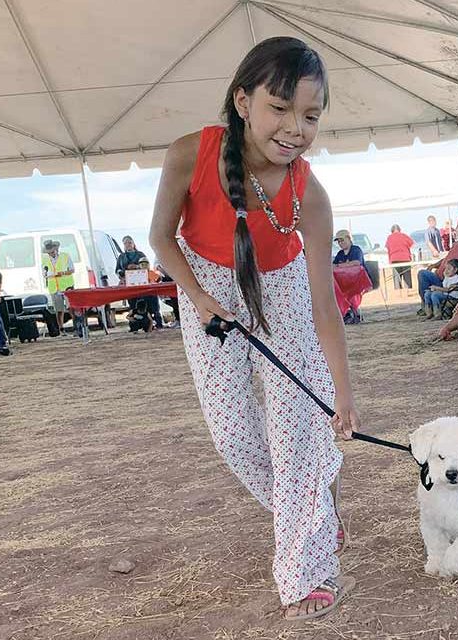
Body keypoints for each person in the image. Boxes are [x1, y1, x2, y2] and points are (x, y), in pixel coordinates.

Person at [148, 37, 358, 621]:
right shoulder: (190, 154)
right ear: (243, 101)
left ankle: (306, 569)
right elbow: (162, 238)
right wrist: (200, 298)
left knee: (298, 432)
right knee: (235, 438)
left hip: (285, 288)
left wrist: (342, 394)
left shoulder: (310, 195)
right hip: (206, 288)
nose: (295, 128)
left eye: (310, 115)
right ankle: (317, 505)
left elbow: (324, 303)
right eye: (280, 108)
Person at [417, 221, 458, 315]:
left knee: (422, 274)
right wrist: (434, 265)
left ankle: (431, 306)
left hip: (450, 279)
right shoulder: (456, 245)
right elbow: (446, 258)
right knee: (422, 273)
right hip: (439, 276)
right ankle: (427, 306)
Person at [332, 230, 370, 324]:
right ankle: (347, 313)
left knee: (351, 291)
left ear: (348, 239)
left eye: (342, 240)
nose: (340, 243)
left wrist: (340, 265)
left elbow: (357, 262)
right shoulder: (340, 253)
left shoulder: (356, 249)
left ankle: (353, 312)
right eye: (339, 241)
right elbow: (333, 265)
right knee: (336, 289)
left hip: (358, 280)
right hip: (343, 282)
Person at [42, 239, 75, 333]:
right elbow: (44, 273)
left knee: (71, 307)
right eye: (49, 253)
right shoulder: (45, 259)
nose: (51, 254)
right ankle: (61, 328)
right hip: (54, 287)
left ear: (56, 249)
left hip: (67, 285)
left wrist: (63, 273)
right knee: (59, 309)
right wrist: (48, 274)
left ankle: (76, 325)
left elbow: (72, 269)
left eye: (52, 251)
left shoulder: (65, 256)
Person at [137, 258, 165, 329]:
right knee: (146, 311)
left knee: (155, 310)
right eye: (142, 264)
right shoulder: (137, 274)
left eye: (145, 264)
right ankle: (147, 326)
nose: (144, 266)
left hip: (152, 294)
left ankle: (159, 325)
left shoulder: (150, 273)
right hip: (143, 295)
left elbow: (159, 279)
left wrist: (156, 276)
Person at [385, 224, 415, 289]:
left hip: (394, 259)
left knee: (396, 278)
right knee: (407, 278)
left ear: (392, 231)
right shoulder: (404, 236)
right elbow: (412, 243)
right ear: (399, 230)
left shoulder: (389, 238)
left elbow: (388, 248)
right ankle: (408, 291)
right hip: (405, 259)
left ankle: (398, 292)